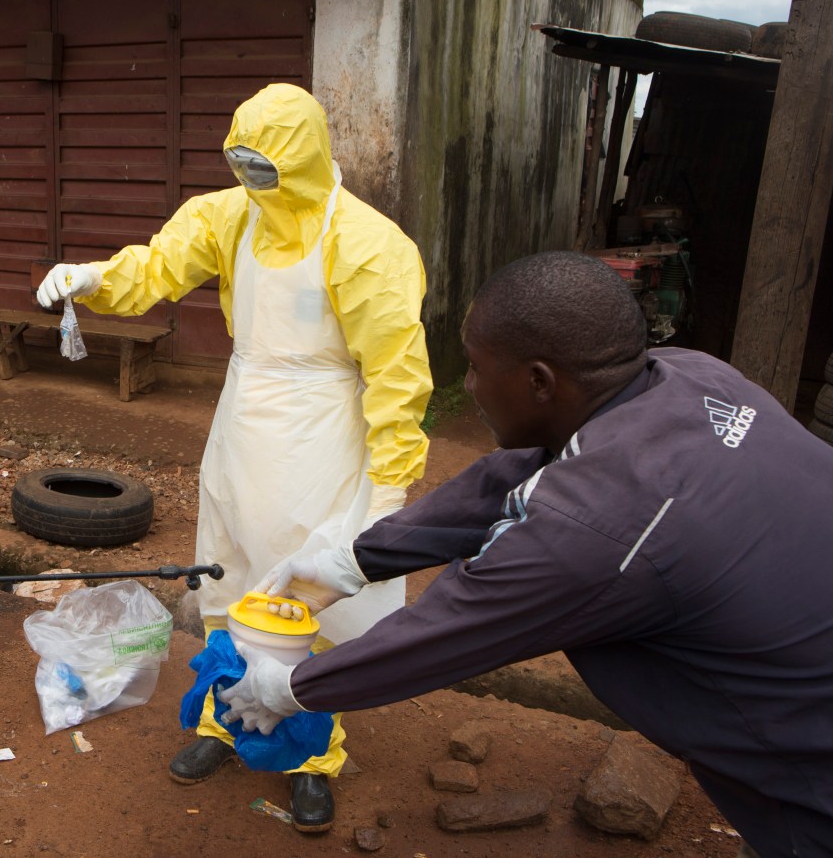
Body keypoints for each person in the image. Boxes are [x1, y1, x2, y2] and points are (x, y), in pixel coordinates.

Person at [223, 250, 833, 856]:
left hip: (807, 757)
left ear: (539, 381)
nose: (469, 386)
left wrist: (291, 689)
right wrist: (355, 560)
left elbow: (451, 630)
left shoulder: (599, 531)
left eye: (475, 368)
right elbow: (511, 479)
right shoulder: (689, 376)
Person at [36, 83, 432, 832]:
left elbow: (397, 375)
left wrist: (389, 484)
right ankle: (225, 723)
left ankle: (311, 753)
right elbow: (157, 268)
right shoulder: (227, 217)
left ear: (306, 158)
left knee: (303, 601)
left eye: (265, 168)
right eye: (242, 164)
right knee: (230, 577)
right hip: (245, 418)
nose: (252, 183)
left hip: (323, 433)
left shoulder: (371, 245)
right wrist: (94, 278)